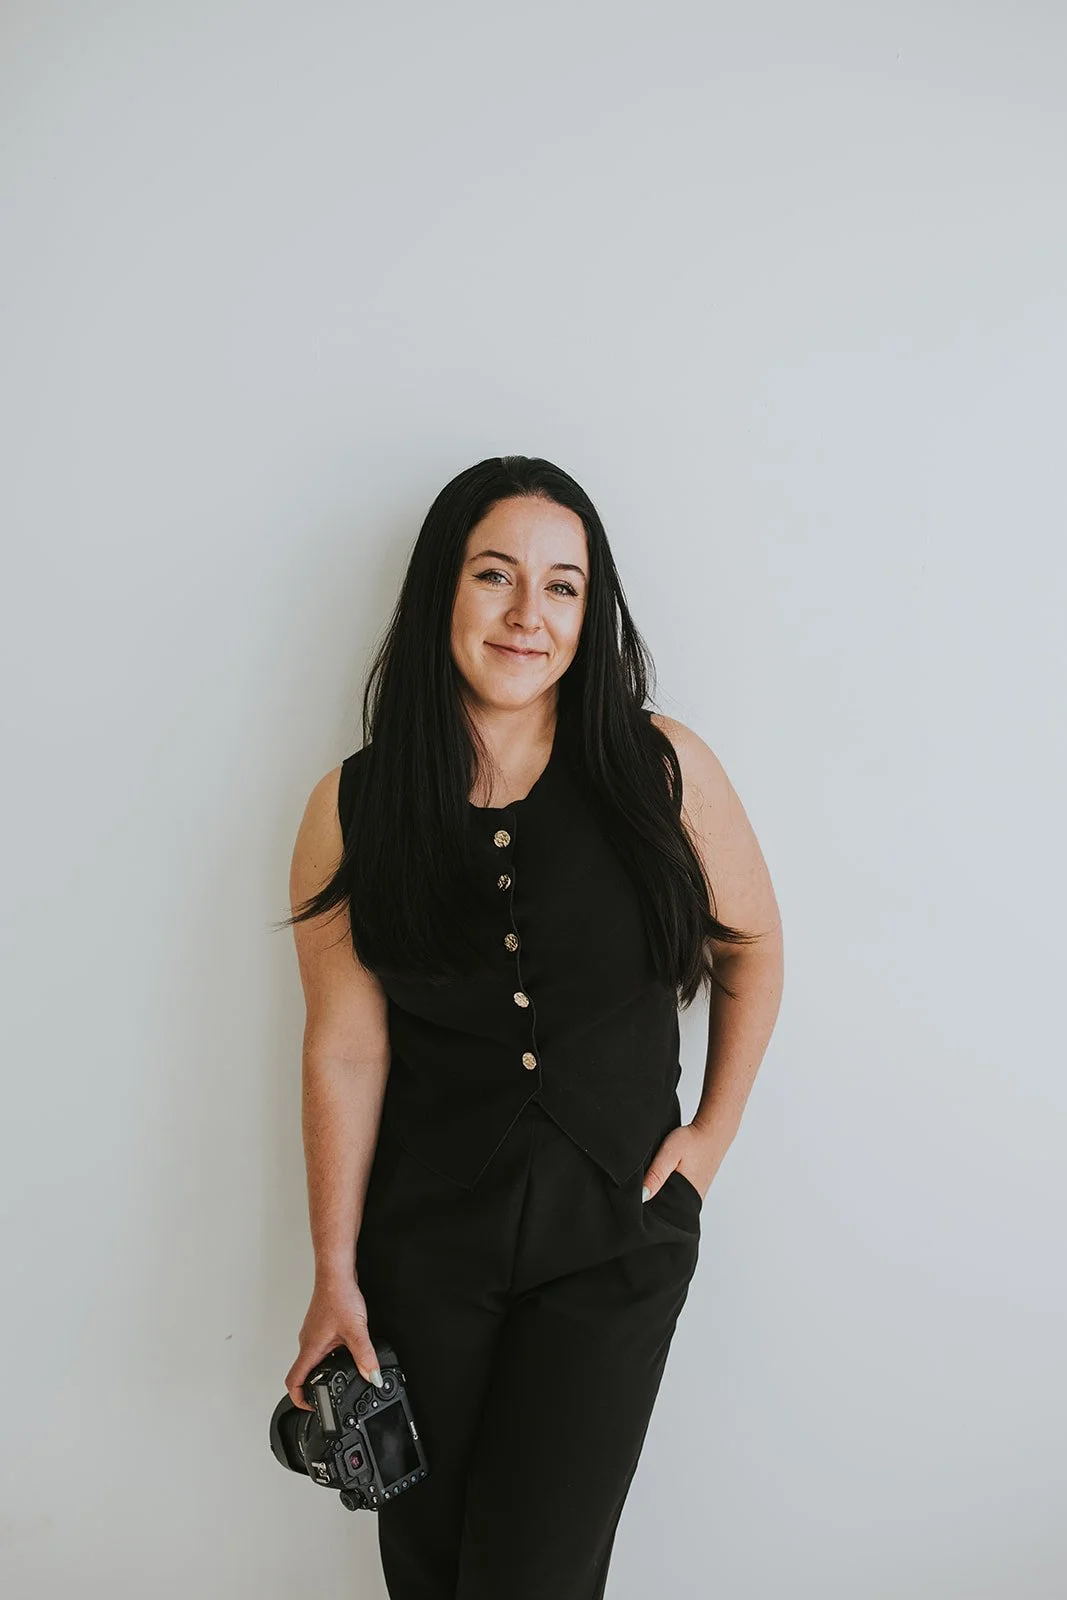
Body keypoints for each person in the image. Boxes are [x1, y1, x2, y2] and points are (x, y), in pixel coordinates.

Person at [281, 454, 783, 1599]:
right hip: (426, 1250)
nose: (527, 615)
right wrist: (333, 1270)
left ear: (590, 610)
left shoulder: (658, 768)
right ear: (439, 596)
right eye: (494, 575)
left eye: (562, 586)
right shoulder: (351, 808)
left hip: (616, 1235)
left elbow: (752, 945)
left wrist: (706, 1141)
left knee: (532, 1577)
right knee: (429, 1567)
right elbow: (346, 1047)